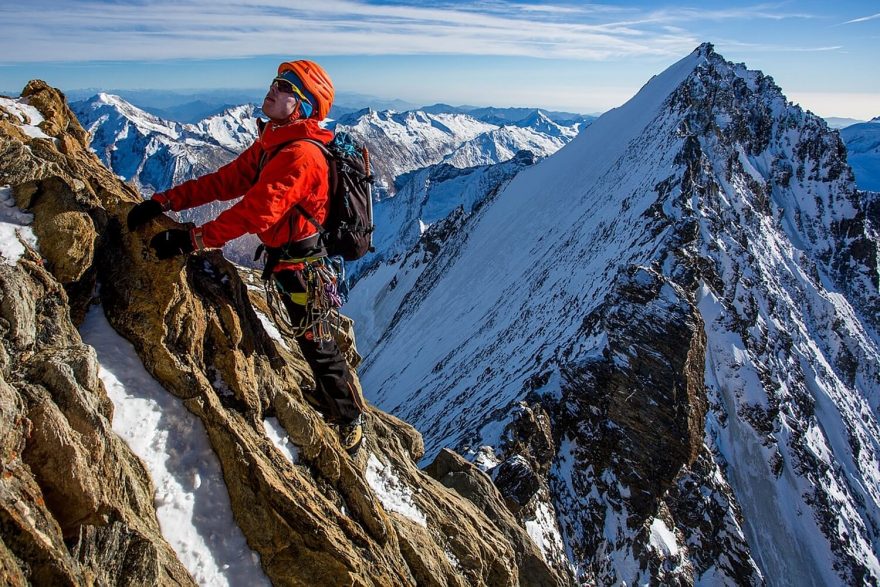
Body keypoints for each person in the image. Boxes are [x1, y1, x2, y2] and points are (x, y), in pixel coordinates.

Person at [127, 60, 365, 454]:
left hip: (303, 268)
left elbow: (255, 212)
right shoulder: (274, 144)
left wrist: (193, 240)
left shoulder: (299, 156)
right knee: (312, 339)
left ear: (302, 106)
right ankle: (334, 400)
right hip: (291, 260)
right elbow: (225, 182)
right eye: (277, 81)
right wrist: (165, 200)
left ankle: (350, 418)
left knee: (316, 343)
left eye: (286, 87)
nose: (273, 88)